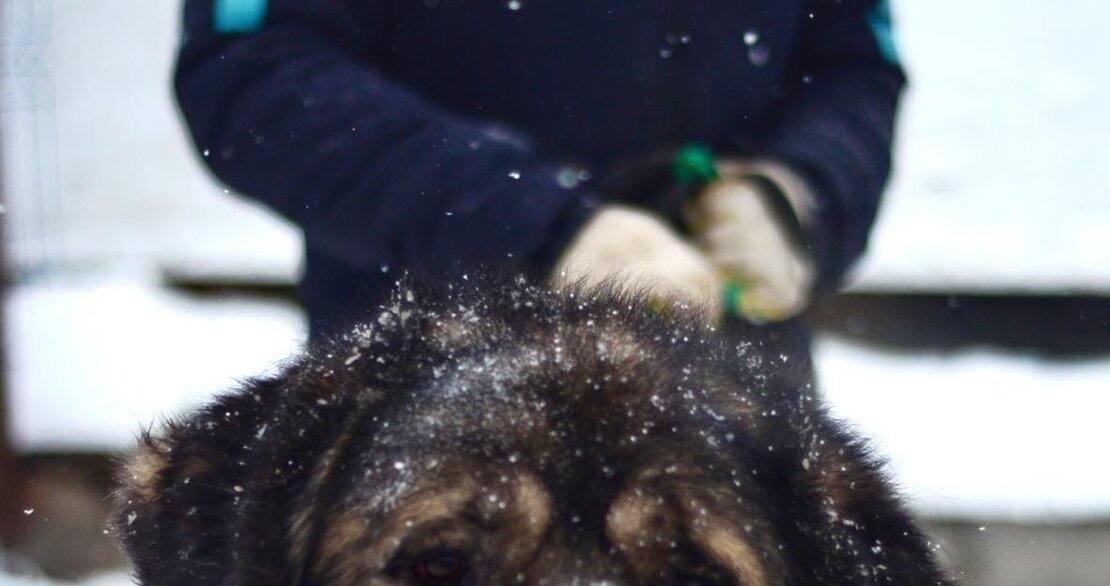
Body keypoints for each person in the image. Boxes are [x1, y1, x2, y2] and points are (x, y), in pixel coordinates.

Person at [174, 1, 904, 337]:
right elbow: (253, 72)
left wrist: (804, 196)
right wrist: (539, 227)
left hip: (740, 403)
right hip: (433, 401)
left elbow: (853, 63)